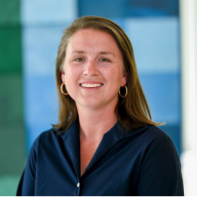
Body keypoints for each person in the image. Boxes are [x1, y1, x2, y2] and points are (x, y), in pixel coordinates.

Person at [16, 16, 184, 196]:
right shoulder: (44, 148)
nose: (90, 70)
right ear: (63, 75)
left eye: (104, 59)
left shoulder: (153, 147)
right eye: (79, 59)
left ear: (124, 77)